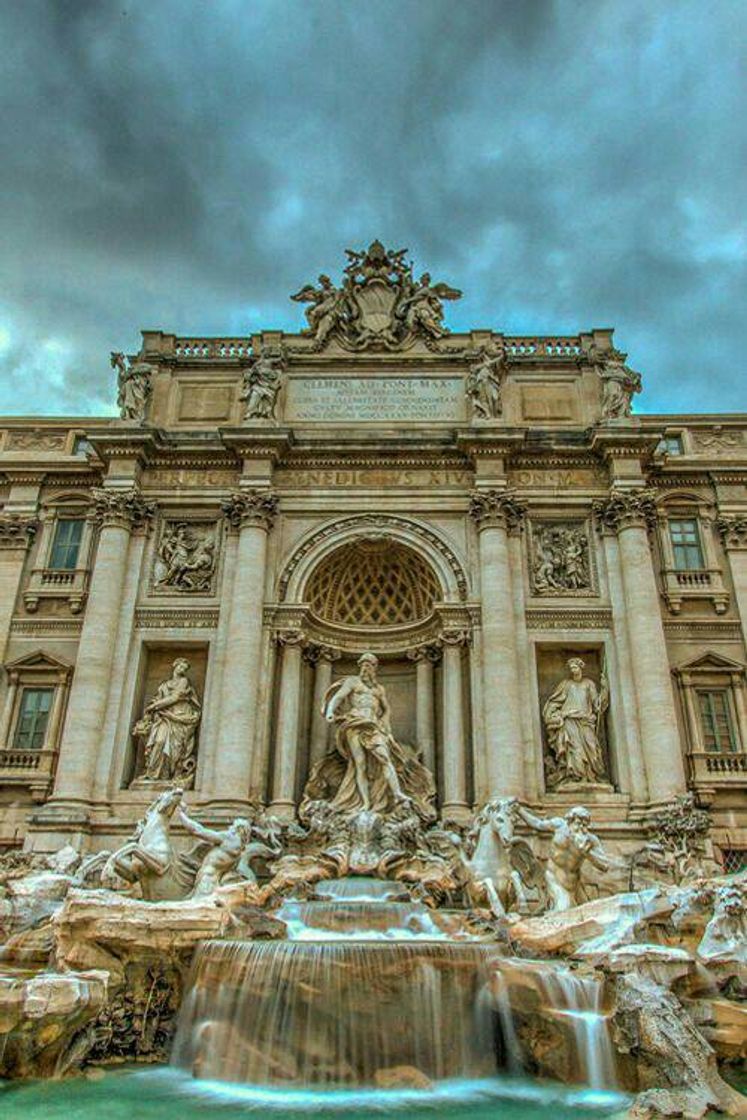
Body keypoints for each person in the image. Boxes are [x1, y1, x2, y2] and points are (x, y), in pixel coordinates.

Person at [323, 653, 411, 814]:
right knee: (360, 764)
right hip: (355, 723)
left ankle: (397, 793)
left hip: (373, 726)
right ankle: (365, 803)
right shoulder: (353, 682)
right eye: (363, 665)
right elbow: (338, 697)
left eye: (368, 665)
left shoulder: (378, 689)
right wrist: (330, 711)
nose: (365, 668)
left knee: (384, 758)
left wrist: (387, 727)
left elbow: (386, 710)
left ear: (374, 668)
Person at [516, 804, 617, 910]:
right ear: (570, 821)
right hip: (553, 877)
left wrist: (588, 853)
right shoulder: (559, 825)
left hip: (574, 884)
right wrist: (519, 810)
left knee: (588, 912)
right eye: (578, 823)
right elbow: (538, 824)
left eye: (585, 825)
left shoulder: (590, 840)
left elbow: (604, 865)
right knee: (563, 908)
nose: (581, 828)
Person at [542, 657, 608, 785]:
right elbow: (554, 702)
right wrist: (554, 715)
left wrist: (604, 690)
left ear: (581, 668)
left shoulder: (589, 684)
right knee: (574, 749)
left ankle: (590, 775)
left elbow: (597, 705)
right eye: (571, 668)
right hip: (569, 720)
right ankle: (576, 777)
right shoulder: (566, 684)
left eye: (575, 667)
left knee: (592, 748)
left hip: (586, 721)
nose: (573, 670)